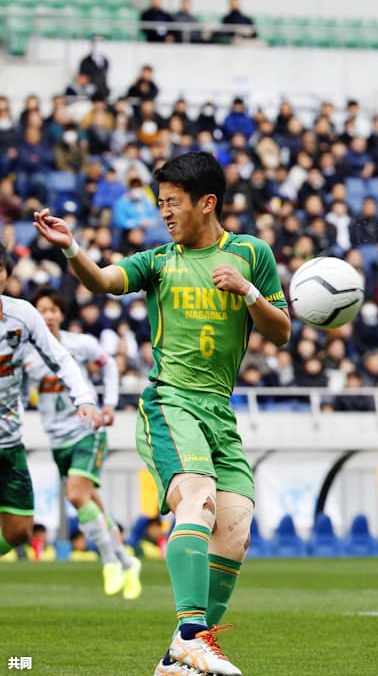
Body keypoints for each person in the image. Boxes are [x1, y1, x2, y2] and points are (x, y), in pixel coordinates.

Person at [33, 151, 290, 676]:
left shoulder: (251, 254)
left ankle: (182, 655)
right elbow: (102, 281)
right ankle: (193, 634)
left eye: (173, 202)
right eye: (160, 203)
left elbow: (281, 330)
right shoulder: (158, 261)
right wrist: (73, 250)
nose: (164, 212)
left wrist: (248, 293)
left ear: (207, 202)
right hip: (170, 401)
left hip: (220, 410)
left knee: (236, 528)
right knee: (197, 499)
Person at [25, 286, 141, 598]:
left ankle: (108, 562)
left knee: (76, 494)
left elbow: (109, 367)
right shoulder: (27, 354)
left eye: (53, 309)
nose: (47, 315)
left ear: (61, 314)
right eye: (41, 310)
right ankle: (128, 561)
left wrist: (109, 404)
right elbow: (21, 393)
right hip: (57, 439)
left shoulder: (82, 344)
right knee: (92, 502)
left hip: (88, 431)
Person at [0, 244, 103, 566]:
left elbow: (60, 358)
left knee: (20, 531)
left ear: (7, 276)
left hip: (9, 441)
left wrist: (84, 398)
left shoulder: (22, 315)